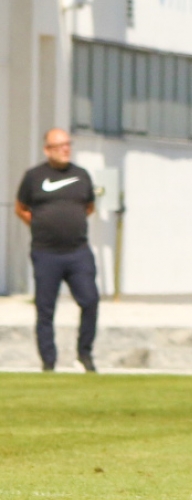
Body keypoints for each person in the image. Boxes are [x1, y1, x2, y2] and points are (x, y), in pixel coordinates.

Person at [15, 128, 98, 373]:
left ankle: (84, 355)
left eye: (68, 144)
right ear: (47, 149)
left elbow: (89, 207)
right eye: (60, 145)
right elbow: (21, 208)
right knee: (45, 308)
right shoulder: (34, 176)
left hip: (78, 251)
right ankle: (48, 362)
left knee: (90, 301)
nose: (65, 149)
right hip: (46, 253)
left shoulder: (81, 175)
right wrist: (41, 225)